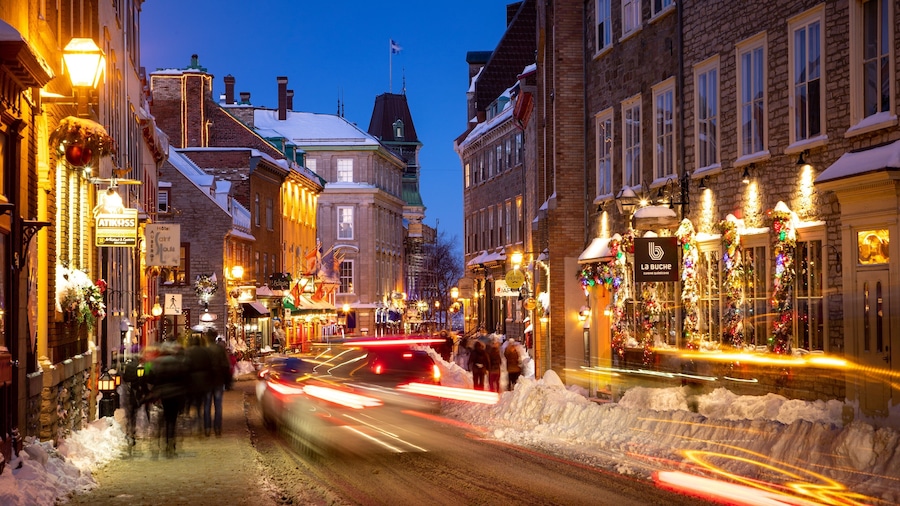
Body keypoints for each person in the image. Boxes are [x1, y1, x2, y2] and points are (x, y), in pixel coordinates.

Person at [204, 330, 232, 436]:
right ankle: (217, 428)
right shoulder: (220, 350)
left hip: (207, 381)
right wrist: (228, 381)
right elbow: (226, 366)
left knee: (207, 405)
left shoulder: (205, 350)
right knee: (218, 405)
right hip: (218, 380)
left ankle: (207, 428)